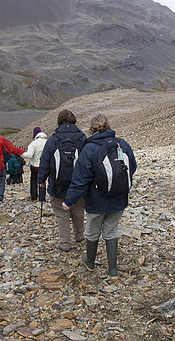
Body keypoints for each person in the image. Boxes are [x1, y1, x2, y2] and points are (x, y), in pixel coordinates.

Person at [62, 114, 137, 278]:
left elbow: (80, 179)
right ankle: (113, 269)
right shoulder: (122, 144)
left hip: (97, 200)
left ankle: (90, 262)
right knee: (111, 231)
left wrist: (69, 200)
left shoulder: (89, 148)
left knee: (92, 231)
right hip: (119, 198)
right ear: (109, 127)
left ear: (91, 130)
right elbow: (133, 166)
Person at [37, 110, 87, 252]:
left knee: (61, 214)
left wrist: (41, 179)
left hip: (57, 184)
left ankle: (65, 243)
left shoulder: (53, 139)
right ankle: (79, 236)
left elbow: (45, 161)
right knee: (78, 210)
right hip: (78, 184)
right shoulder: (82, 138)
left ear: (59, 122)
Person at [22, 126, 48, 201]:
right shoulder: (47, 142)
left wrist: (22, 153)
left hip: (34, 166)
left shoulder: (33, 143)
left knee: (33, 180)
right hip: (43, 165)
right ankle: (42, 198)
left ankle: (34, 197)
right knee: (42, 181)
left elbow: (29, 155)